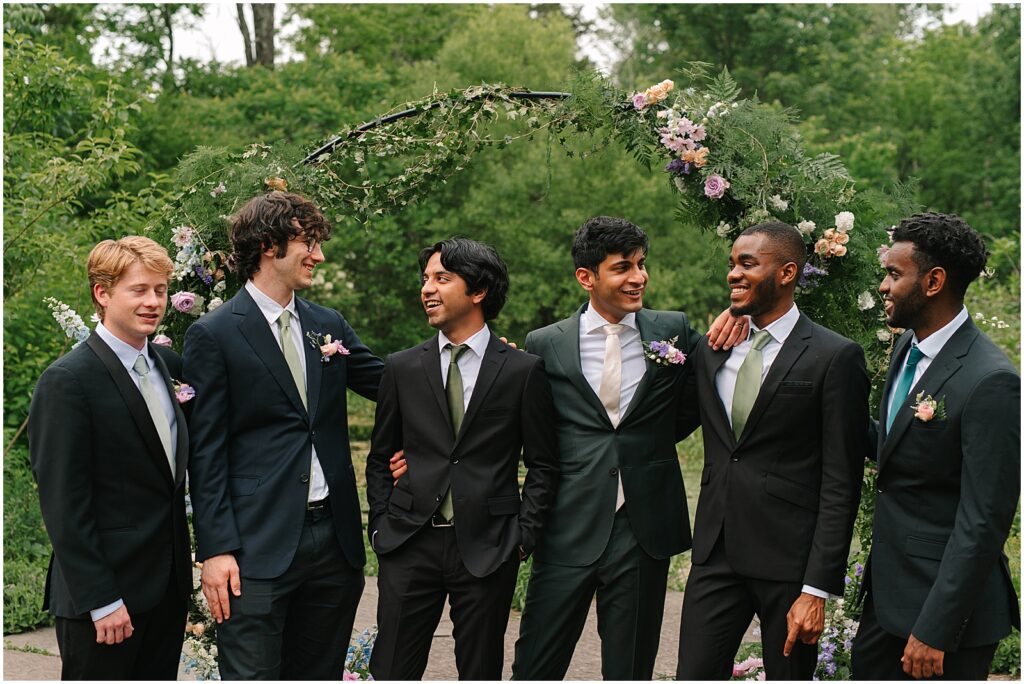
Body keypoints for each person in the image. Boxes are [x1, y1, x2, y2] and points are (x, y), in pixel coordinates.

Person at [183, 191, 384, 679]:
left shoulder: (326, 325)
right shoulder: (215, 334)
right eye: (308, 243)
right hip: (255, 547)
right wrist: (215, 549)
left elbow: (389, 383)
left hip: (334, 545)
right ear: (270, 244)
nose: (319, 255)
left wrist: (472, 356)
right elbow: (205, 454)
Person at [510, 216, 720, 680]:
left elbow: (688, 406)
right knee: (536, 663)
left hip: (642, 528)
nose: (639, 278)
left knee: (630, 668)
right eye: (623, 267)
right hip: (567, 521)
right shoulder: (543, 344)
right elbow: (529, 426)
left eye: (642, 265)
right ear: (587, 277)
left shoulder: (673, 330)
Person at [675, 221, 869, 680]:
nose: (733, 274)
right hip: (715, 551)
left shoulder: (834, 356)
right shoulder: (713, 348)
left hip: (791, 563)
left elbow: (842, 480)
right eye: (731, 264)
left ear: (786, 273)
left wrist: (816, 588)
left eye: (747, 263)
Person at [366, 237, 559, 680]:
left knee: (480, 669)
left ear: (478, 291)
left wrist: (522, 536)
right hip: (408, 541)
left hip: (489, 545)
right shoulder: (401, 367)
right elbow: (380, 458)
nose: (427, 289)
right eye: (425, 279)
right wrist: (380, 525)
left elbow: (544, 464)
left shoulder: (521, 370)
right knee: (392, 668)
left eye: (442, 278)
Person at [851, 212, 1020, 680]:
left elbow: (984, 521)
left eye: (892, 274)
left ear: (934, 281)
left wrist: (935, 629)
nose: (883, 287)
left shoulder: (992, 381)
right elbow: (897, 449)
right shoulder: (909, 345)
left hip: (945, 619)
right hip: (887, 598)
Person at [29, 236, 192, 679]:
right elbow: (63, 504)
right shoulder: (68, 381)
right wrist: (102, 600)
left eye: (159, 290)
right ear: (102, 294)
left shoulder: (169, 365)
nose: (153, 301)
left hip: (168, 593)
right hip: (104, 603)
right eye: (138, 290)